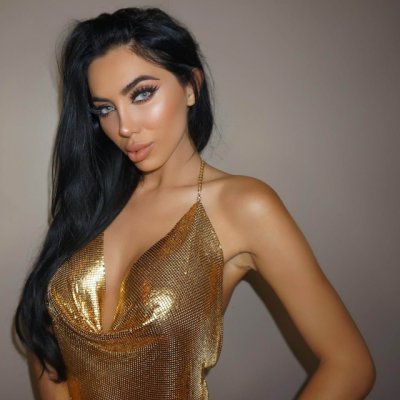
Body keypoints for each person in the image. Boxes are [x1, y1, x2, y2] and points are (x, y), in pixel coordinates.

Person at [14, 6, 375, 400]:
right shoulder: (90, 203)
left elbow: (350, 366)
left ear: (190, 86)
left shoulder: (243, 206)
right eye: (105, 109)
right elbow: (45, 338)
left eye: (141, 94)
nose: (124, 127)